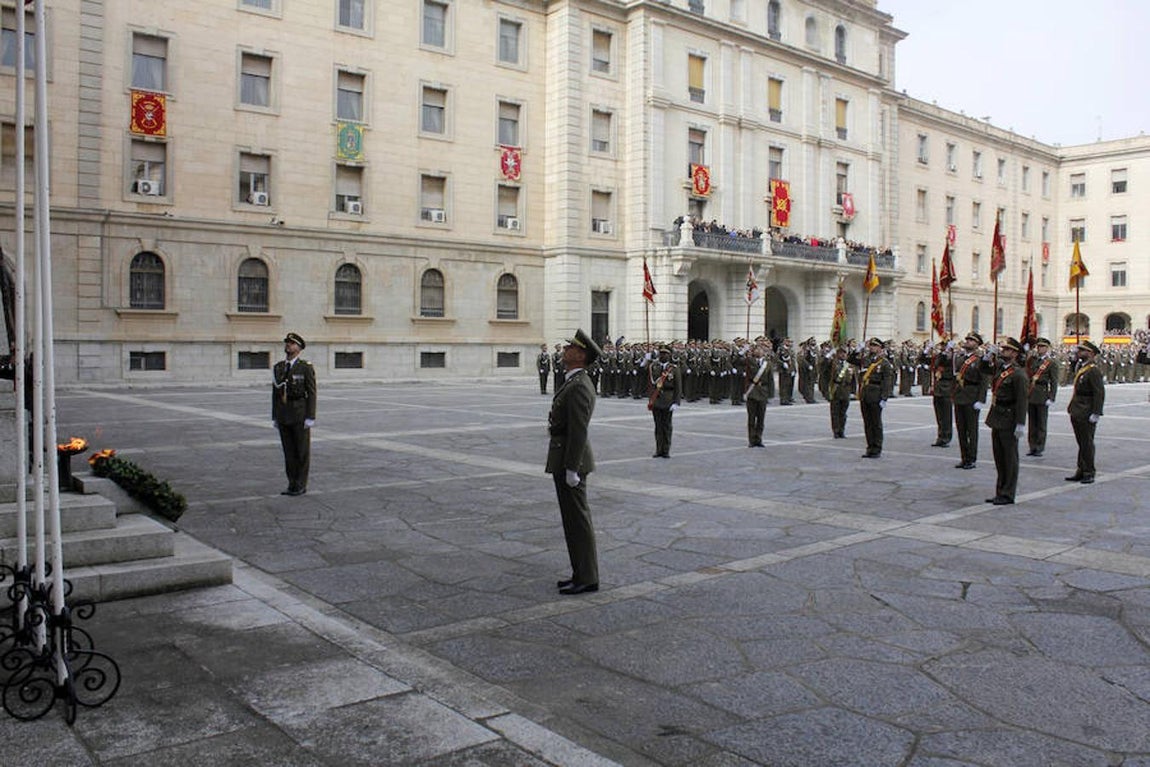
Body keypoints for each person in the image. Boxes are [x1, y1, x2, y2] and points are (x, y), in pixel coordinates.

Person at [546, 329, 601, 595]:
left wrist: (571, 468)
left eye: (571, 347)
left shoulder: (579, 384)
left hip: (572, 461)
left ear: (580, 355)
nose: (565, 350)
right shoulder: (573, 380)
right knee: (572, 521)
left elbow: (579, 430)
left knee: (578, 521)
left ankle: (587, 577)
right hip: (565, 456)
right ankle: (579, 572)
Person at [984, 337, 1028, 505]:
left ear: (1015, 353)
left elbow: (1022, 400)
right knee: (999, 457)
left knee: (1009, 458)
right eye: (1003, 350)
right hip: (997, 416)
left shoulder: (1018, 374)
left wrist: (1020, 423)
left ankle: (1008, 493)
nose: (1003, 352)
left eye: (1007, 350)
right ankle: (1000, 490)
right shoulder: (1002, 369)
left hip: (1009, 417)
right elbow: (983, 369)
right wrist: (988, 356)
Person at [272, 332, 316, 496]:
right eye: (287, 343)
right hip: (284, 414)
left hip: (299, 413)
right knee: (288, 452)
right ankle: (291, 483)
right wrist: (275, 416)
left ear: (299, 348)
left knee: (301, 451)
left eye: (291, 344)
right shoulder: (279, 367)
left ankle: (300, 484)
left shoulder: (305, 367)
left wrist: (310, 416)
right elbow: (275, 394)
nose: (288, 346)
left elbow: (311, 392)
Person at [1066, 340, 1105, 484]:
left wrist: (1096, 412)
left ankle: (1089, 471)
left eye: (1082, 350)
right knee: (1081, 442)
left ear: (1090, 353)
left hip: (1087, 410)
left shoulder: (1093, 370)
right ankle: (1081, 469)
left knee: (1087, 443)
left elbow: (1099, 392)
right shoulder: (1081, 367)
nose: (1079, 352)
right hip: (1077, 409)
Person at [952, 332, 993, 470]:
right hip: (960, 396)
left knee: (972, 430)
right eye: (967, 339)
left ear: (977, 344)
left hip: (972, 396)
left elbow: (984, 380)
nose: (967, 341)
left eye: (971, 340)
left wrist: (981, 399)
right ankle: (964, 457)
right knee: (961, 429)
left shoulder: (980, 360)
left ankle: (972, 458)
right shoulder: (960, 358)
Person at [849, 338, 894, 457]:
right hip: (865, 394)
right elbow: (851, 359)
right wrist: (857, 349)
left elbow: (887, 382)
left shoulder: (884, 363)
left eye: (875, 346)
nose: (872, 347)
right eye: (871, 345)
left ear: (880, 348)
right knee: (867, 423)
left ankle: (877, 448)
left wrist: (884, 398)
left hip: (876, 394)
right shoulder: (865, 359)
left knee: (876, 423)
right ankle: (870, 447)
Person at [1024, 337, 1059, 457]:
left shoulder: (1051, 363)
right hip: (1031, 393)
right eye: (1038, 346)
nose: (1040, 349)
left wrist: (1051, 397)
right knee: (1032, 423)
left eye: (1043, 347)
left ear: (1047, 348)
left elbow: (1054, 381)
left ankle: (1039, 446)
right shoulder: (1032, 360)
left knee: (1041, 423)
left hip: (1042, 393)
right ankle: (1032, 446)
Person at [647, 345, 681, 458]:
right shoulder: (654, 367)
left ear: (669, 355)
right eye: (661, 353)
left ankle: (666, 450)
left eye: (665, 354)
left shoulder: (674, 369)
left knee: (666, 426)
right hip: (656, 400)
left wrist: (676, 402)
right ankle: (658, 449)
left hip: (668, 400)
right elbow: (648, 379)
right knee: (658, 427)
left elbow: (678, 386)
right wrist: (646, 360)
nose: (663, 356)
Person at [928, 339, 956, 447]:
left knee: (946, 415)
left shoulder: (952, 357)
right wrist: (927, 350)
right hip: (938, 388)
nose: (942, 347)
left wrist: (948, 351)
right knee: (939, 415)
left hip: (946, 387)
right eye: (942, 345)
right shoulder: (939, 355)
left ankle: (946, 437)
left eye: (945, 345)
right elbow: (925, 360)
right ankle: (940, 436)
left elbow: (945, 361)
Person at [826, 345, 856, 438]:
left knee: (843, 413)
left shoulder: (849, 365)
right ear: (837, 354)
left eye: (844, 353)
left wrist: (853, 391)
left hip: (846, 391)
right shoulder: (833, 363)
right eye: (841, 353)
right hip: (836, 390)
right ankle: (836, 430)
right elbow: (823, 365)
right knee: (835, 413)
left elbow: (853, 379)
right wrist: (828, 355)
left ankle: (842, 430)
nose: (843, 355)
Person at [744, 343, 770, 447]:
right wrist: (745, 351)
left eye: (761, 350)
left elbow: (770, 379)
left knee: (761, 418)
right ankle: (751, 440)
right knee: (751, 418)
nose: (759, 351)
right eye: (757, 349)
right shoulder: (749, 361)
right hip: (752, 391)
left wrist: (770, 393)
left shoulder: (767, 363)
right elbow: (741, 361)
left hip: (763, 392)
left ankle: (759, 439)